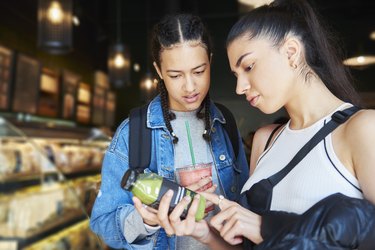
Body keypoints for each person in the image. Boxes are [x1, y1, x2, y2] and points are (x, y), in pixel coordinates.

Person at [153, 0, 375, 249]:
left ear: (291, 52)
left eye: (248, 66)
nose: (240, 87)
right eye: (237, 75)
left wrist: (265, 226)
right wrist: (205, 233)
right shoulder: (265, 139)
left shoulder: (362, 130)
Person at [89, 13, 249, 250]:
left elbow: (246, 205)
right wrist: (146, 220)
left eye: (199, 71)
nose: (190, 86)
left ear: (210, 62)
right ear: (159, 70)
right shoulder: (132, 133)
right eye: (175, 75)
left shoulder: (224, 123)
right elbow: (102, 223)